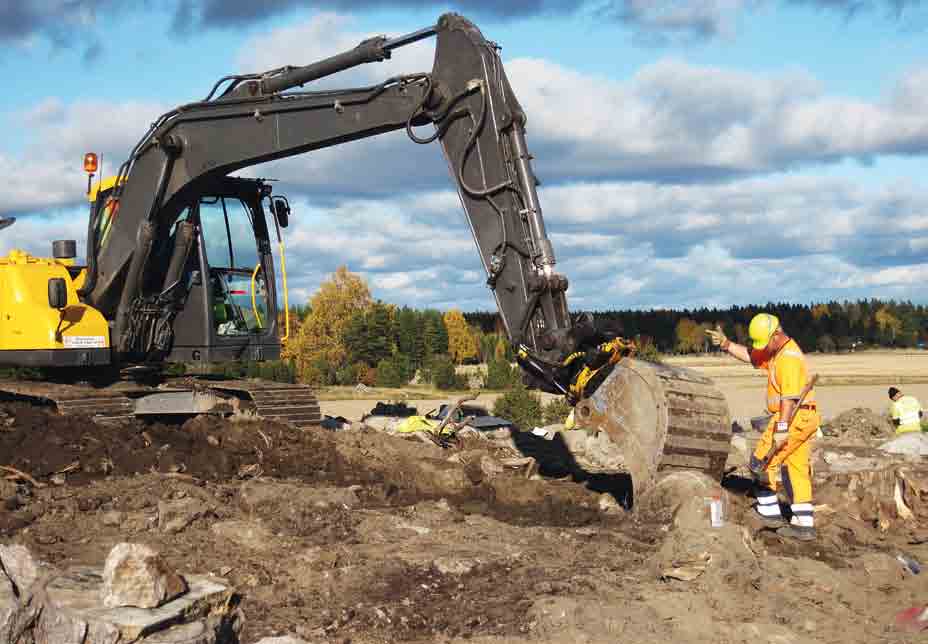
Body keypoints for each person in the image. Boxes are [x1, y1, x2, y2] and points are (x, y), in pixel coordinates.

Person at [706, 313, 821, 541]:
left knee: (761, 463)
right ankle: (803, 523)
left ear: (776, 334)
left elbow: (789, 399)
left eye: (765, 343)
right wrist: (727, 345)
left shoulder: (788, 358)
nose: (763, 348)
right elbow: (751, 355)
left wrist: (781, 428)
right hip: (805, 417)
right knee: (794, 467)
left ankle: (769, 514)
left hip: (793, 417)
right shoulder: (777, 351)